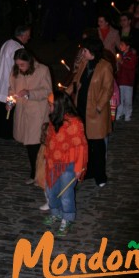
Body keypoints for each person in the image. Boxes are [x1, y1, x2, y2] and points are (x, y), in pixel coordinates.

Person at [67, 36, 114, 187]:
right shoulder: (84, 63)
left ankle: (100, 175)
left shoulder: (105, 66)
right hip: (81, 109)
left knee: (98, 145)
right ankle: (89, 170)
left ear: (92, 52)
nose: (83, 52)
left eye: (85, 50)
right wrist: (66, 94)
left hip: (96, 114)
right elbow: (76, 80)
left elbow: (108, 89)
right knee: (84, 143)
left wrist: (99, 107)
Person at [43, 90, 88, 237]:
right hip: (52, 162)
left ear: (58, 105)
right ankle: (55, 213)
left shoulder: (75, 123)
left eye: (50, 105)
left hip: (68, 164)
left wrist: (78, 168)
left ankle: (67, 218)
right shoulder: (54, 118)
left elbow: (80, 146)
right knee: (51, 190)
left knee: (66, 194)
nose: (48, 107)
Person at [7, 48, 52, 184]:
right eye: (17, 64)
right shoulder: (15, 72)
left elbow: (47, 91)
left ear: (29, 61)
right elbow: (11, 89)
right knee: (29, 146)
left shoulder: (43, 70)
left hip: (37, 113)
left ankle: (38, 175)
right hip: (23, 113)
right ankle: (35, 173)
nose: (20, 68)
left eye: (22, 65)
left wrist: (29, 93)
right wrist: (9, 102)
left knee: (36, 145)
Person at [0, 24, 31, 139]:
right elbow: (21, 68)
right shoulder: (18, 49)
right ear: (22, 35)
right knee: (9, 111)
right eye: (28, 35)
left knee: (1, 110)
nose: (29, 37)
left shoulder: (7, 43)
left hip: (2, 81)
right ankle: (8, 133)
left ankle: (1, 132)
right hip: (11, 83)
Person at [115, 36, 138, 122]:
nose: (120, 46)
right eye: (120, 45)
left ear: (127, 46)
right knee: (120, 98)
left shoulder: (132, 55)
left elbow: (131, 66)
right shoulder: (120, 55)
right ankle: (119, 114)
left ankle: (128, 114)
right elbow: (118, 67)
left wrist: (121, 62)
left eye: (122, 45)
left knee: (128, 99)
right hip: (120, 81)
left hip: (128, 81)